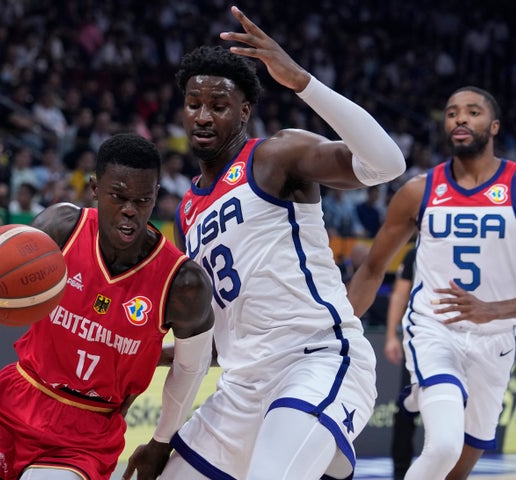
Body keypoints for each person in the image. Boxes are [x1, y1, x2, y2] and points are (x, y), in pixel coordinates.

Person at [132, 6, 405, 480]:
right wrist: (147, 353)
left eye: (217, 106)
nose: (202, 115)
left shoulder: (276, 155)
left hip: (316, 359)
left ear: (244, 111)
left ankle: (320, 454)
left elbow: (387, 164)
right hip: (242, 385)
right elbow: (219, 332)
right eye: (193, 103)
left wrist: (302, 81)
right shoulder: (187, 211)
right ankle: (327, 465)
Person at [0, 133, 215, 480]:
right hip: (17, 399)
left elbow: (191, 369)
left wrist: (161, 442)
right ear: (95, 188)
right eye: (119, 196)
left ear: (156, 196)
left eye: (142, 200)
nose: (130, 209)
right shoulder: (61, 228)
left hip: (88, 429)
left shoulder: (183, 282)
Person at [347, 86, 516, 480]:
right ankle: (429, 389)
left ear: (494, 126)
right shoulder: (418, 191)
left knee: (458, 467)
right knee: (444, 445)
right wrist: (339, 327)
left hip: (496, 339)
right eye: (451, 113)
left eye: (472, 112)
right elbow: (372, 268)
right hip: (435, 329)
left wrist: (493, 310)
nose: (460, 119)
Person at [384, 246, 417, 480]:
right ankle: (400, 473)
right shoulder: (414, 253)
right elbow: (399, 293)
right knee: (405, 410)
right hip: (420, 341)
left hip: (464, 338)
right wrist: (391, 335)